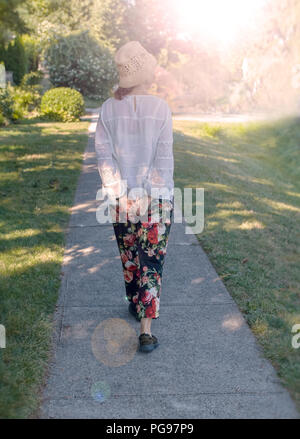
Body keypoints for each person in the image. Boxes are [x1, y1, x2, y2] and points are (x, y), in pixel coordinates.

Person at [95, 41, 174, 353]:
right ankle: (146, 329)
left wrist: (120, 195)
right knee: (150, 263)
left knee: (130, 258)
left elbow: (104, 158)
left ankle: (135, 302)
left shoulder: (107, 108)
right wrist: (150, 195)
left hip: (121, 203)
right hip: (156, 202)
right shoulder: (161, 108)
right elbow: (163, 160)